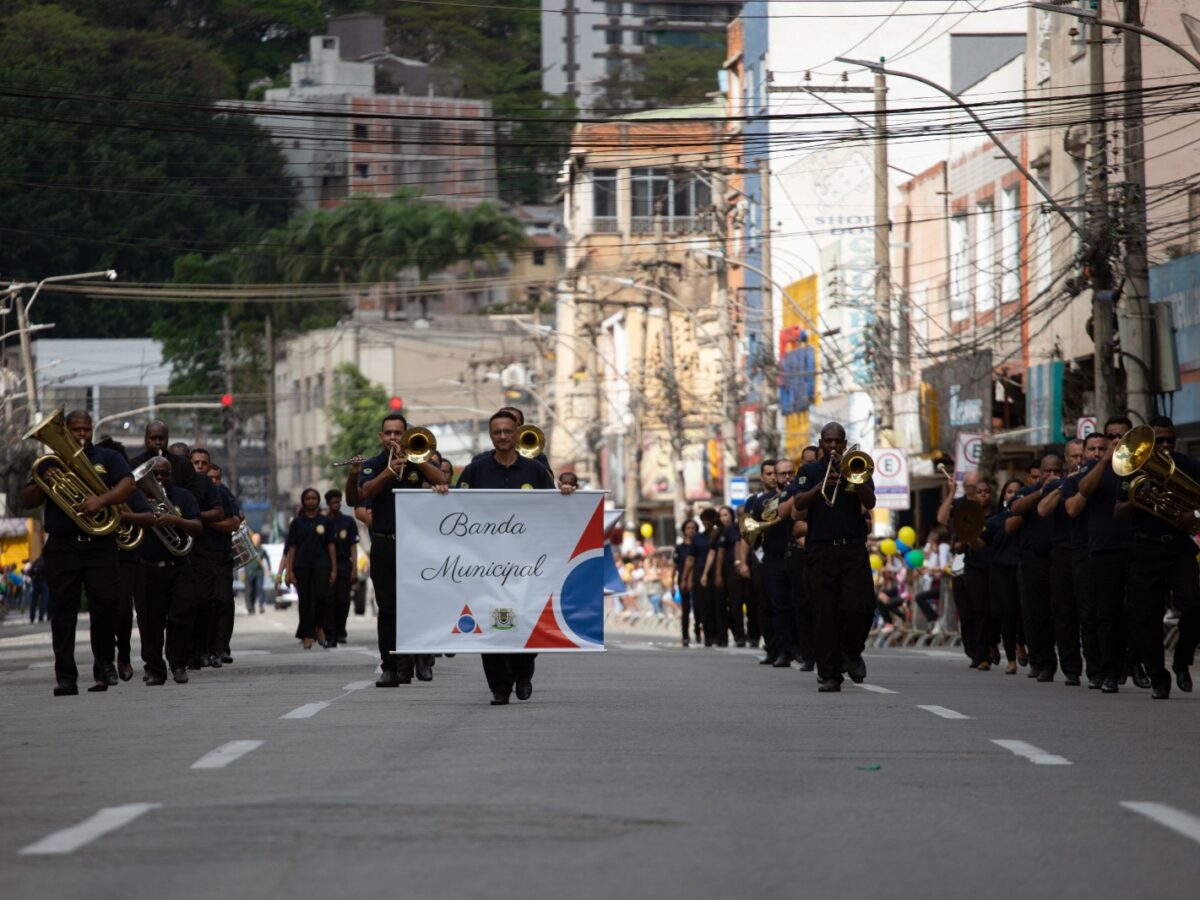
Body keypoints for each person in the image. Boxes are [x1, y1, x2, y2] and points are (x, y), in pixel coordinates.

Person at [434, 409, 573, 705]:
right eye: (496, 432)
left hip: (527, 566)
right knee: (493, 625)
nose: (502, 437)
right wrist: (443, 492)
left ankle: (523, 675)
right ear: (490, 435)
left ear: (517, 433)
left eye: (507, 431)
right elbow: (459, 510)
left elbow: (553, 510)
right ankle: (499, 686)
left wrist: (566, 492)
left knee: (523, 623)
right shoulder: (476, 470)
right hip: (486, 567)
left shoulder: (535, 471)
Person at [21, 410, 135, 696]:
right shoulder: (49, 463)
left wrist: (102, 500)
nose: (82, 435)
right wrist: (44, 481)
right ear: (66, 431)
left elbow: (128, 485)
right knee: (62, 613)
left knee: (107, 605)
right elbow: (27, 500)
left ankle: (104, 665)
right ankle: (66, 677)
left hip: (100, 544)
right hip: (63, 546)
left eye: (86, 429)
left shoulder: (108, 458)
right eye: (75, 430)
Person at [345, 411, 447, 687]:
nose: (392, 438)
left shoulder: (417, 460)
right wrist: (389, 472)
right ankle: (389, 665)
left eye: (397, 433)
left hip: (415, 546)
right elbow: (363, 493)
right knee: (388, 608)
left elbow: (441, 479)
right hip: (384, 543)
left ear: (405, 435)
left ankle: (415, 661)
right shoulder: (374, 464)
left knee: (415, 605)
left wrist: (420, 460)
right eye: (388, 433)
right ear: (381, 436)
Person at [1118, 416, 1200, 699]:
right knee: (1146, 616)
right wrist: (1137, 497)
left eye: (1170, 440)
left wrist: (1195, 515)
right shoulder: (1134, 471)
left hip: (1179, 547)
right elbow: (1117, 512)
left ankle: (1181, 661)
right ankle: (1157, 676)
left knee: (1192, 605)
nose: (1165, 446)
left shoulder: (1189, 466)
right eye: (1160, 440)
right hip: (1146, 549)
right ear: (1149, 443)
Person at [792, 422, 877, 692]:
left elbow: (871, 501)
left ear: (844, 443)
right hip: (821, 550)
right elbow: (798, 503)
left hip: (852, 548)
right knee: (824, 614)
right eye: (827, 441)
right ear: (820, 443)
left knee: (861, 607)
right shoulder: (808, 471)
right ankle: (830, 674)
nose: (832, 446)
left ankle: (852, 651)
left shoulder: (856, 466)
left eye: (837, 442)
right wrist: (820, 487)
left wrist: (852, 477)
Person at [129, 457, 203, 685]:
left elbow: (198, 527)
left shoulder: (183, 497)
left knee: (181, 616)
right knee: (150, 622)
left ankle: (178, 664)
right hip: (148, 568)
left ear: (171, 475)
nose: (159, 479)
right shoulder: (136, 499)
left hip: (178, 566)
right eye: (155, 475)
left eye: (164, 474)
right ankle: (154, 669)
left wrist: (174, 519)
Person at [739, 456, 801, 668]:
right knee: (777, 606)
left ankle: (800, 648)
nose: (785, 477)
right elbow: (751, 533)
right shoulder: (762, 502)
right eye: (780, 474)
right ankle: (782, 650)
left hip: (796, 555)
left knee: (798, 604)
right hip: (773, 559)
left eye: (789, 473)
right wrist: (743, 561)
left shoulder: (800, 493)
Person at [1035, 439, 1086, 686]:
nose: (1079, 460)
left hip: (1088, 550)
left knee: (1091, 611)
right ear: (1068, 460)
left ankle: (1103, 667)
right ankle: (1071, 668)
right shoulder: (1060, 484)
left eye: (1081, 455)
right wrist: (1062, 485)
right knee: (1063, 612)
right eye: (1074, 456)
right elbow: (1043, 511)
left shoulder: (1094, 478)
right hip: (1063, 552)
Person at [1061, 432, 1107, 687]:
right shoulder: (1072, 482)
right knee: (1088, 614)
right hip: (1083, 553)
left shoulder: (1114, 478)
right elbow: (1072, 509)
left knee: (1113, 612)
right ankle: (1096, 671)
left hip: (1111, 551)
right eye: (1092, 450)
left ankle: (1115, 665)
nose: (1096, 454)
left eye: (1102, 449)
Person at [282, 488, 336, 649]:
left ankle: (319, 626)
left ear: (318, 501)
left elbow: (331, 545)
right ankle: (306, 634)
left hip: (322, 565)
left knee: (321, 598)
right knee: (304, 602)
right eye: (308, 498)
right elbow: (292, 547)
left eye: (314, 498)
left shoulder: (326, 521)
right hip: (302, 565)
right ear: (303, 501)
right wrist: (289, 571)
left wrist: (333, 569)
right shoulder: (297, 523)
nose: (311, 501)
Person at [736, 459, 777, 663]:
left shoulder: (790, 495)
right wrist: (742, 562)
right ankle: (770, 646)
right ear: (762, 477)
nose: (772, 477)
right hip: (761, 558)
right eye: (768, 473)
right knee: (764, 604)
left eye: (774, 473)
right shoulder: (753, 501)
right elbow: (747, 534)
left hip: (783, 556)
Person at [202, 458, 243, 663]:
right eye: (211, 478)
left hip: (221, 556)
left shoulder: (224, 494)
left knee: (224, 602)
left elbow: (234, 522)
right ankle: (205, 649)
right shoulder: (195, 492)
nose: (214, 482)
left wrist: (206, 521)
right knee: (205, 605)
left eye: (217, 478)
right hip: (200, 558)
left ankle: (221, 648)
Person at [982, 480, 1023, 673]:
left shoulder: (1030, 516)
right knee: (1006, 615)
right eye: (1009, 491)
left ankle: (1021, 643)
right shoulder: (994, 522)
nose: (1013, 495)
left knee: (1023, 613)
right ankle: (1011, 659)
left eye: (1017, 491)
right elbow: (979, 544)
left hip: (1022, 568)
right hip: (1000, 571)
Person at [961, 479, 996, 670]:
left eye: (987, 491)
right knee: (980, 611)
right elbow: (958, 546)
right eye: (979, 492)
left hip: (995, 566)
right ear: (973, 496)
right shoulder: (966, 516)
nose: (983, 495)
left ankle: (993, 643)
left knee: (996, 611)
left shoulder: (998, 516)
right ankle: (981, 655)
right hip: (974, 567)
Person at [324, 489, 359, 644]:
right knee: (329, 601)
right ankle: (329, 634)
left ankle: (341, 630)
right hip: (326, 566)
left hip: (344, 564)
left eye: (338, 502)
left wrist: (355, 568)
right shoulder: (323, 522)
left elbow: (353, 545)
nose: (336, 505)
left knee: (343, 600)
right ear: (328, 504)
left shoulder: (348, 522)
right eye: (333, 502)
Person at [673, 519, 699, 647]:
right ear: (684, 530)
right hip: (682, 580)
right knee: (685, 610)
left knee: (699, 608)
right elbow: (675, 565)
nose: (691, 531)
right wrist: (671, 584)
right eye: (688, 528)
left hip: (696, 580)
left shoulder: (699, 545)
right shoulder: (680, 548)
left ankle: (698, 631)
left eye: (693, 528)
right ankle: (685, 636)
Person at [243, 532, 269, 614]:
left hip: (259, 573)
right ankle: (251, 607)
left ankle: (261, 606)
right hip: (249, 572)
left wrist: (269, 569)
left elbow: (267, 559)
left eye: (258, 539)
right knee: (250, 591)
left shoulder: (262, 550)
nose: (256, 540)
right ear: (252, 539)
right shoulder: (248, 548)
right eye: (255, 539)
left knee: (260, 589)